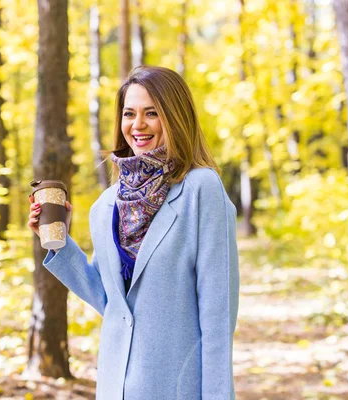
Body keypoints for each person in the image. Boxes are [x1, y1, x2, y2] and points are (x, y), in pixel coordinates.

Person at [28, 65, 239, 400]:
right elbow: (110, 301)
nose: (137, 125)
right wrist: (62, 244)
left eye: (151, 113)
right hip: (116, 386)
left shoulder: (201, 189)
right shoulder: (106, 205)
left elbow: (218, 316)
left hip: (178, 388)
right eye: (129, 114)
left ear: (175, 117)